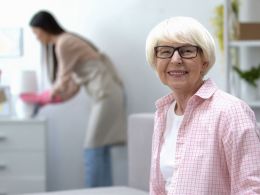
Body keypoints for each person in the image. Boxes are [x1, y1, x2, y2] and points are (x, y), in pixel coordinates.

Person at [145, 16, 260, 194]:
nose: (175, 59)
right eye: (165, 51)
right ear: (155, 61)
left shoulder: (231, 111)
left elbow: (252, 188)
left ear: (204, 61)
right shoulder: (162, 113)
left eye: (187, 51)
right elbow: (159, 188)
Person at [29, 10, 126, 187]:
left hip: (106, 94)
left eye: (36, 33)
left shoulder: (63, 43)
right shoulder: (66, 42)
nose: (36, 38)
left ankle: (94, 191)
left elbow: (63, 77)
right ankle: (105, 191)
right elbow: (72, 86)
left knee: (92, 148)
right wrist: (53, 98)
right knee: (100, 148)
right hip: (104, 95)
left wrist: (45, 96)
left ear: (45, 28)